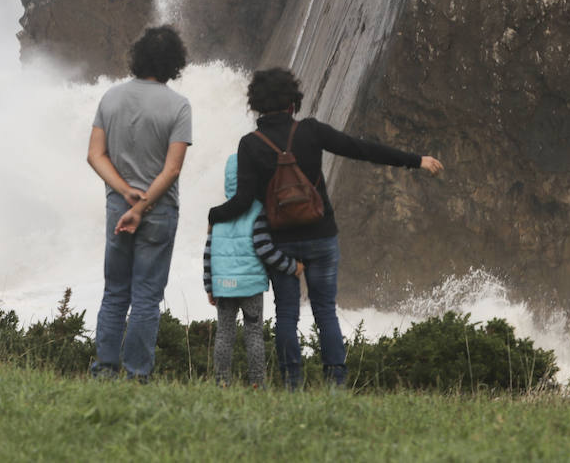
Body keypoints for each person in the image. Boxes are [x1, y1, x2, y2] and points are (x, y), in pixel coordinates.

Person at [206, 68, 442, 388]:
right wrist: (416, 160)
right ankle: (336, 383)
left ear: (257, 104)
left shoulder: (250, 144)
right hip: (321, 236)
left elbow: (243, 201)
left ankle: (292, 384)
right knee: (325, 312)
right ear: (293, 101)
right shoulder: (311, 131)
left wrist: (213, 215)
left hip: (280, 243)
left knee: (286, 315)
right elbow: (360, 148)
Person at [86, 26, 192, 381]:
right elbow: (172, 169)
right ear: (174, 63)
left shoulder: (111, 98)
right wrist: (143, 203)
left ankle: (105, 369)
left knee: (115, 291)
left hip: (118, 207)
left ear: (137, 56)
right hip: (158, 211)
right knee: (146, 296)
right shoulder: (178, 105)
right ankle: (136, 374)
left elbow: (95, 156)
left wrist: (126, 194)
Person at [204, 150, 300, 388]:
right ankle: (257, 383)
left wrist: (210, 285)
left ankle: (222, 383)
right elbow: (264, 249)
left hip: (224, 286)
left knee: (224, 334)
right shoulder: (259, 211)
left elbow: (208, 253)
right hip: (251, 288)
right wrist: (290, 266)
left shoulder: (219, 214)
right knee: (254, 334)